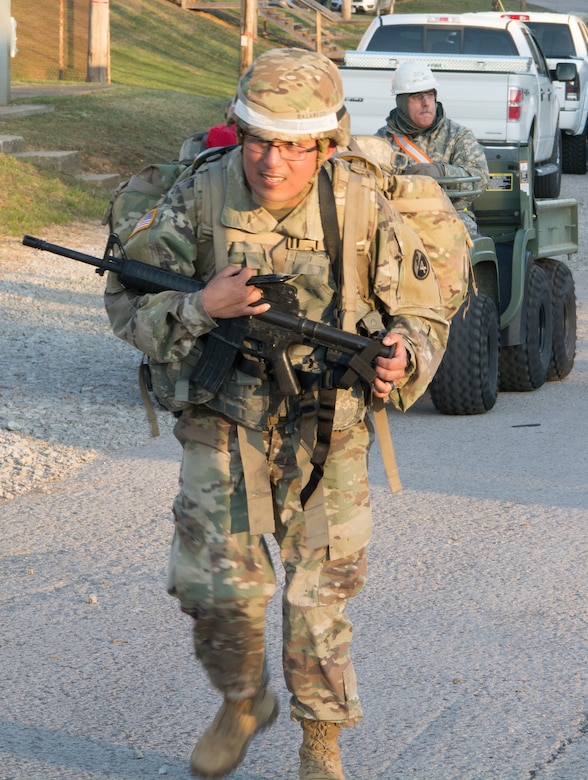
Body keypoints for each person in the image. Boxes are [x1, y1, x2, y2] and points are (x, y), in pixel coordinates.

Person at [104, 48, 450, 780]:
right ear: (238, 129)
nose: (274, 162)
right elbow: (126, 306)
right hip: (224, 415)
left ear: (325, 144)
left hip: (329, 421)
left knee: (318, 593)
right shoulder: (200, 196)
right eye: (260, 139)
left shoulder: (360, 202)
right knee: (214, 588)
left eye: (295, 145)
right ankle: (241, 700)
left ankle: (320, 745)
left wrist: (403, 355)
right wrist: (205, 306)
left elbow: (422, 311)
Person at [376, 61, 490, 237]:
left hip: (450, 215)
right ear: (401, 102)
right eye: (416, 96)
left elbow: (480, 178)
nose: (426, 103)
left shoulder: (458, 135)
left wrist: (441, 172)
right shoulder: (383, 140)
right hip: (397, 216)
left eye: (430, 95)